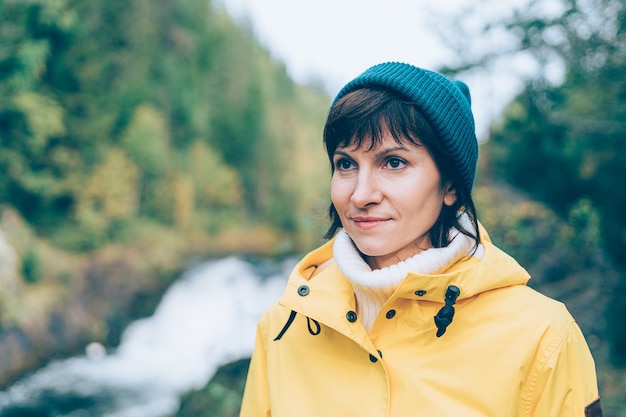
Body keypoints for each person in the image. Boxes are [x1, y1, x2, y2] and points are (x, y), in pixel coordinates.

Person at [239, 62, 602, 417]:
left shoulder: (542, 336)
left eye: (393, 162)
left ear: (450, 187)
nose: (361, 194)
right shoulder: (284, 324)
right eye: (346, 164)